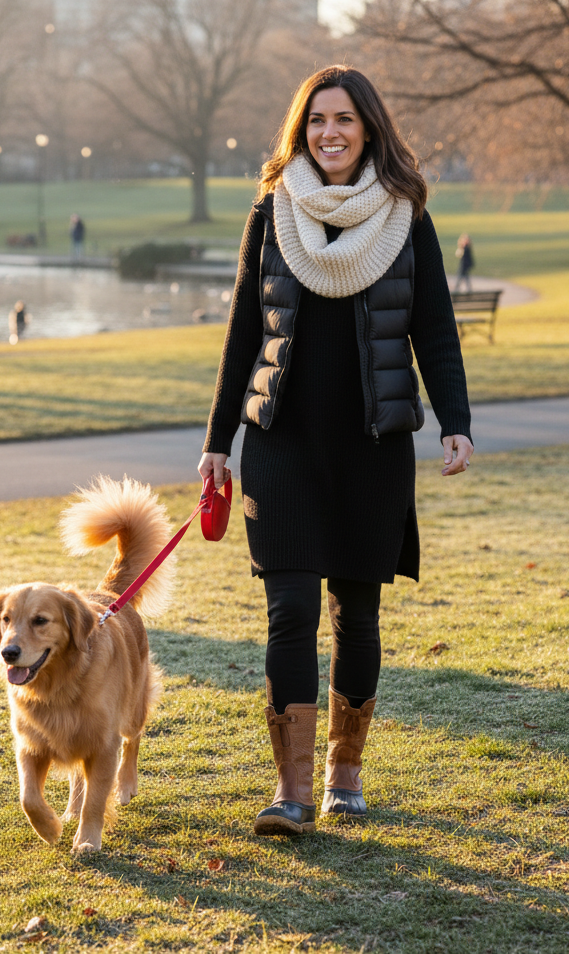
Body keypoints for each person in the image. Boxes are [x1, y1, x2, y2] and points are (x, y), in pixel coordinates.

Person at [198, 65, 473, 837]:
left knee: (356, 612)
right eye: (317, 120)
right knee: (288, 612)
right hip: (280, 441)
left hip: (371, 443)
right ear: (300, 130)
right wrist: (218, 441)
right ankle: (288, 792)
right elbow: (242, 332)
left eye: (345, 119)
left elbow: (434, 327)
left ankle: (342, 778)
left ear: (369, 129)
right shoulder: (272, 211)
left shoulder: (403, 215)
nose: (330, 133)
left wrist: (454, 419)